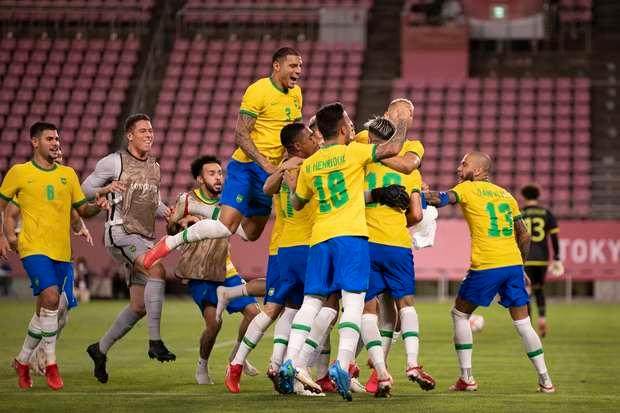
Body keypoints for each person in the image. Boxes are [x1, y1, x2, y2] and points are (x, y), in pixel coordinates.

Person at [280, 102, 409, 401]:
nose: (353, 127)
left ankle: (291, 360)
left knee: (311, 301)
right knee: (354, 302)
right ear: (340, 129)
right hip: (350, 237)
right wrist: (402, 122)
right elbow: (393, 148)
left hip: (320, 238)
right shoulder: (353, 152)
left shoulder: (310, 164)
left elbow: (298, 203)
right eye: (350, 123)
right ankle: (342, 363)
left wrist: (289, 179)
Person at [142, 47, 304, 267]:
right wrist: (265, 163)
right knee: (226, 226)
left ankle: (198, 206)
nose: (298, 70)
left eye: (300, 66)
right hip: (247, 166)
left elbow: (292, 134)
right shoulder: (258, 90)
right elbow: (240, 134)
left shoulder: (296, 94)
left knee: (250, 233)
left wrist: (288, 160)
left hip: (270, 173)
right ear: (277, 66)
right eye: (293, 65)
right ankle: (170, 242)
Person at [422, 152, 555, 393]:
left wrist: (415, 193)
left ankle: (467, 378)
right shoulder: (506, 194)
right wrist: (520, 266)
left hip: (486, 265)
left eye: (464, 163)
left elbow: (440, 199)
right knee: (524, 323)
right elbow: (524, 234)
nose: (459, 167)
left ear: (480, 170)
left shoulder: (467, 188)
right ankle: (546, 380)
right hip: (513, 265)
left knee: (459, 314)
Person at [0, 121, 104, 390]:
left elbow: (82, 210)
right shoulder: (19, 172)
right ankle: (51, 365)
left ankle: (23, 361)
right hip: (33, 247)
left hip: (62, 252)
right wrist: (3, 235)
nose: (56, 142)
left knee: (57, 307)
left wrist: (99, 204)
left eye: (57, 138)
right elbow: (3, 207)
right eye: (49, 138)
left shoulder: (68, 174)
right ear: (35, 142)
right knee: (50, 298)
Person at [223, 123, 319, 395]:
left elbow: (267, 188)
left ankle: (256, 365)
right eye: (311, 137)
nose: (316, 140)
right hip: (302, 245)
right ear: (299, 144)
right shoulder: (307, 164)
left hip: (284, 247)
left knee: (282, 308)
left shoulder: (283, 166)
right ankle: (283, 367)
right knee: (299, 309)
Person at [81, 113, 174, 385]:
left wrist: (165, 210)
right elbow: (84, 190)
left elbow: (151, 200)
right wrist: (106, 189)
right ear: (129, 135)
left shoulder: (154, 166)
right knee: (156, 269)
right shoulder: (113, 161)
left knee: (138, 306)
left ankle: (99, 349)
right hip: (120, 232)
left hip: (143, 235)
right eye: (143, 130)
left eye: (151, 130)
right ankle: (155, 342)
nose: (149, 134)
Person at [167, 155, 260, 385]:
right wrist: (178, 223)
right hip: (200, 271)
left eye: (220, 173)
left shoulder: (229, 201)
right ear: (199, 179)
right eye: (212, 174)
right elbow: (170, 231)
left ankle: (237, 356)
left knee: (254, 314)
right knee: (214, 323)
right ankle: (202, 365)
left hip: (225, 268)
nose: (218, 178)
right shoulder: (186, 200)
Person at [360, 116, 436, 394]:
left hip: (365, 242)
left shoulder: (361, 163)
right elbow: (416, 214)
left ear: (371, 139)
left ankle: (380, 373)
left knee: (369, 309)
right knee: (405, 304)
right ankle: (413, 363)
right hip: (397, 244)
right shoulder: (411, 172)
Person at [520, 184, 563, 337]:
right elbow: (554, 238)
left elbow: (515, 237)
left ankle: (529, 327)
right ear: (538, 196)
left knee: (526, 291)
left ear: (523, 196)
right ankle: (543, 319)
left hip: (526, 258)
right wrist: (557, 257)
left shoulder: (521, 213)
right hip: (543, 259)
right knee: (539, 289)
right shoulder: (546, 213)